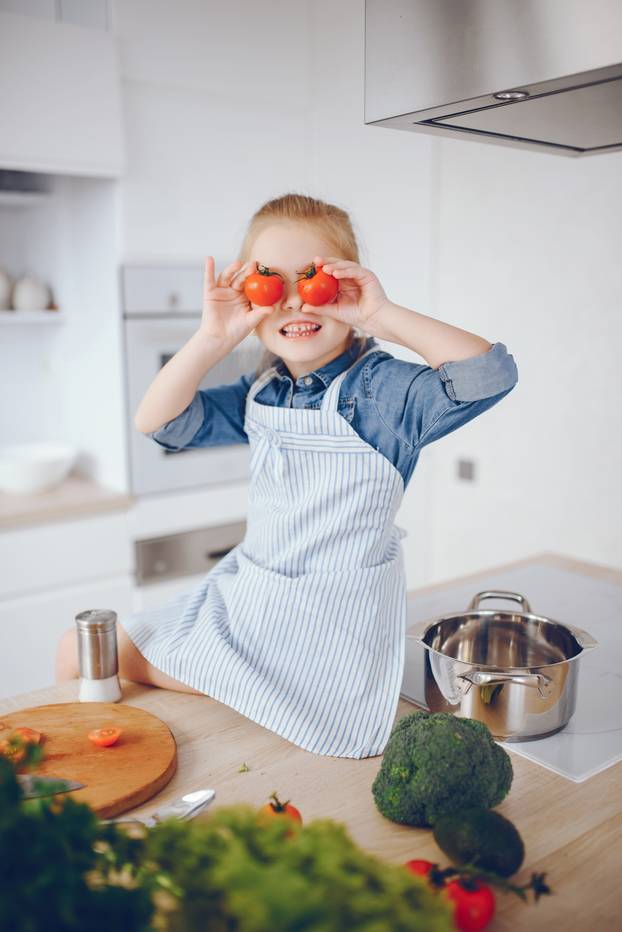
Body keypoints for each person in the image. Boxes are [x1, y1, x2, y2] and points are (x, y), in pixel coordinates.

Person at [55, 192, 518, 758]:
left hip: (326, 624)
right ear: (250, 295)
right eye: (271, 282)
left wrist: (378, 315)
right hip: (252, 598)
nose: (298, 302)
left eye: (316, 279)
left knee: (89, 657)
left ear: (348, 287)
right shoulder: (264, 388)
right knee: (77, 650)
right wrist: (213, 338)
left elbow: (488, 374)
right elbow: (159, 423)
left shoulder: (381, 393)